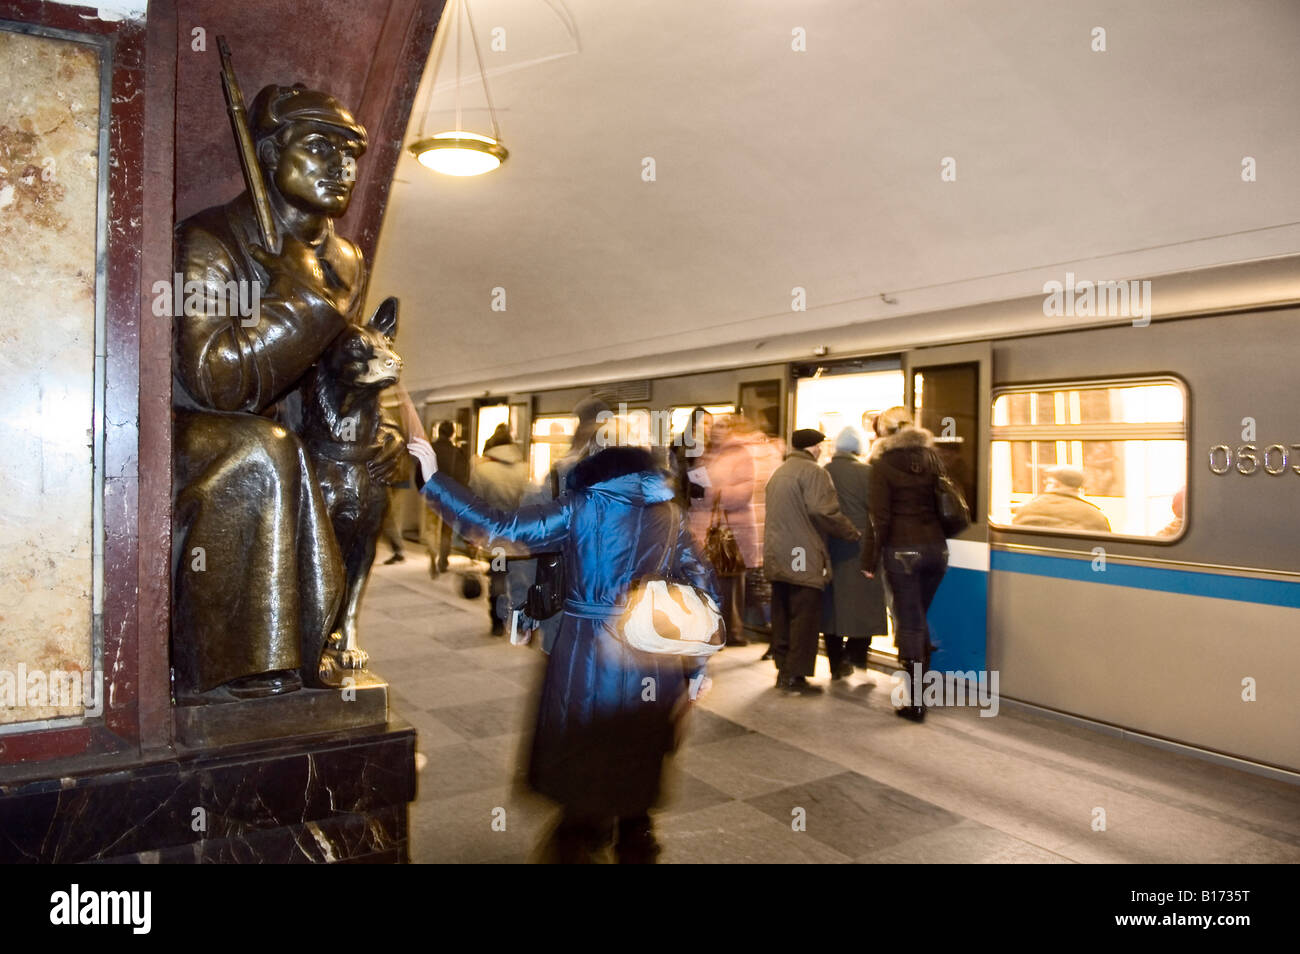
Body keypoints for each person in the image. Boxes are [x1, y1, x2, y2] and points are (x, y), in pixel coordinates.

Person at [171, 84, 402, 696]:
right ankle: (245, 665)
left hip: (280, 429)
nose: (343, 167)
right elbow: (212, 378)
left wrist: (367, 426)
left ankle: (321, 640)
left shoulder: (343, 258)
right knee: (264, 449)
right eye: (320, 147)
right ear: (270, 153)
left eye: (351, 152)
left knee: (345, 464)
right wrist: (299, 301)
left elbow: (329, 368)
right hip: (195, 430)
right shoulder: (210, 240)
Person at [408, 435, 720, 864]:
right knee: (637, 750)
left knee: (584, 746)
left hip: (587, 649)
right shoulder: (669, 513)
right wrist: (698, 667)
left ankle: (577, 837)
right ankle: (635, 839)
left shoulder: (584, 505)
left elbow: (500, 529)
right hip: (654, 651)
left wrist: (434, 481)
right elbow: (700, 583)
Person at [860, 407, 949, 722]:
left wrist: (869, 559)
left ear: (884, 432)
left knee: (910, 622)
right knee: (919, 618)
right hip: (936, 551)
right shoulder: (933, 459)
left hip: (903, 552)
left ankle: (917, 702)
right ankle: (922, 685)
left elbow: (878, 519)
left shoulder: (882, 465)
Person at [763, 428, 860, 694]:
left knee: (783, 614)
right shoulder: (815, 472)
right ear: (815, 447)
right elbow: (822, 510)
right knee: (804, 618)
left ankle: (783, 670)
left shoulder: (780, 472)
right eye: (821, 446)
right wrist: (850, 531)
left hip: (777, 554)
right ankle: (796, 676)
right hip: (802, 555)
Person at [822, 427, 888, 677]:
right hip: (861, 544)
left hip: (830, 544)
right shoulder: (868, 473)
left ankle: (837, 664)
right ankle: (858, 653)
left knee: (832, 607)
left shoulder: (824, 471)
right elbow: (878, 510)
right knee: (867, 603)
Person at [697, 415, 757, 646]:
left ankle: (732, 632)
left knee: (731, 584)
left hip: (733, 531)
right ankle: (716, 631)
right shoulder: (708, 454)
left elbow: (744, 492)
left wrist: (716, 494)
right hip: (712, 530)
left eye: (722, 426)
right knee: (714, 583)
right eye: (715, 427)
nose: (716, 430)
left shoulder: (740, 454)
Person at [469, 426, 530, 635]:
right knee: (520, 579)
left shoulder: (482, 470)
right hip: (519, 535)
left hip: (494, 538)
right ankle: (521, 622)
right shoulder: (524, 469)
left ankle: (497, 622)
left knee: (498, 578)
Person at [1011, 465, 1112, 532]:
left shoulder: (1028, 508)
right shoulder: (1094, 515)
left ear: (1056, 485)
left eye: (1047, 482)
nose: (1045, 485)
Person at [427, 421, 470, 574]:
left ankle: (432, 555)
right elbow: (462, 476)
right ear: (452, 434)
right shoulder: (457, 452)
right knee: (446, 530)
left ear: (438, 432)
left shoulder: (429, 450)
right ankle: (443, 561)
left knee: (431, 527)